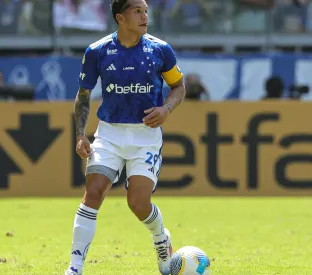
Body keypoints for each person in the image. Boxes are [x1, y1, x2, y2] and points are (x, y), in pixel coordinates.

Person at [64, 0, 186, 274]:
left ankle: (161, 238)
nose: (145, 17)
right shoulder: (97, 51)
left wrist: (166, 108)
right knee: (93, 193)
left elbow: (178, 87)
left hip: (146, 136)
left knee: (138, 204)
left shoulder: (160, 50)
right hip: (109, 133)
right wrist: (81, 134)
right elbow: (83, 95)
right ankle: (75, 267)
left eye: (146, 11)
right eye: (137, 11)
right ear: (120, 17)